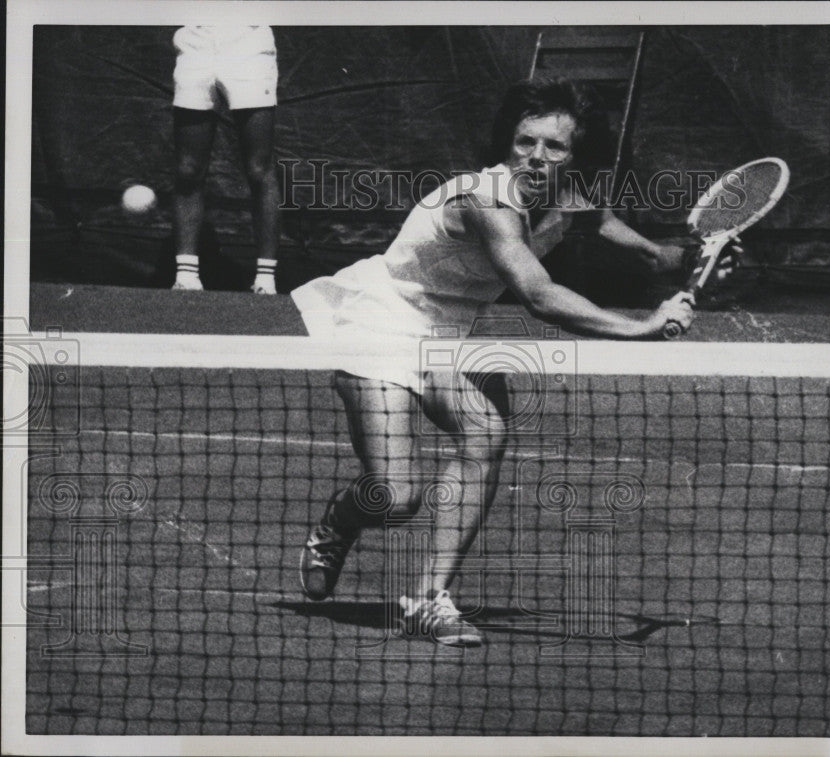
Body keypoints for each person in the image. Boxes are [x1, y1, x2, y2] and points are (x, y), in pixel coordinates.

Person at [292, 78, 725, 647]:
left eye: (555, 147)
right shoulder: (486, 198)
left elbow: (652, 255)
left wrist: (698, 258)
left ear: (575, 157)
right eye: (525, 142)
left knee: (485, 436)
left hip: (453, 331)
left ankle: (428, 599)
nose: (536, 158)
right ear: (507, 142)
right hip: (382, 319)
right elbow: (537, 294)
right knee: (395, 497)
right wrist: (642, 327)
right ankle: (339, 522)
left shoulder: (572, 198)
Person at [171, 25, 280, 294]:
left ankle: (265, 280)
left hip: (250, 44)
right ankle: (186, 276)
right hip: (195, 43)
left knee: (259, 168)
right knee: (188, 168)